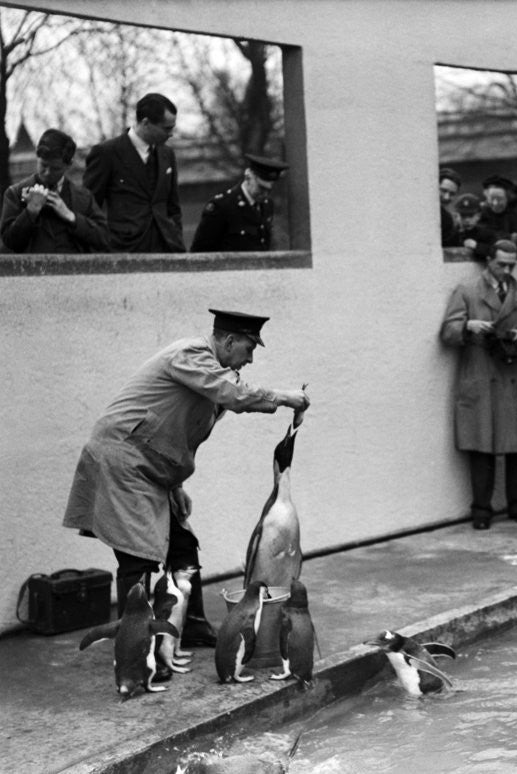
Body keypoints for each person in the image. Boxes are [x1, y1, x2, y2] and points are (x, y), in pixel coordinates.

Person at [63, 309, 311, 655]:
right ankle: (132, 645)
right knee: (139, 555)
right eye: (249, 348)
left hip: (150, 469)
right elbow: (234, 394)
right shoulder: (192, 354)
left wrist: (175, 484)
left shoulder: (209, 372)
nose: (251, 359)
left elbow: (174, 431)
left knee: (182, 546)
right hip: (122, 460)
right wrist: (282, 397)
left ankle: (190, 626)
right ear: (227, 341)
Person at [440, 239, 517, 530]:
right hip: (481, 375)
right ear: (488, 261)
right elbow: (447, 332)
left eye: (511, 265)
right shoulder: (467, 291)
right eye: (501, 264)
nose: (507, 270)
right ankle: (481, 511)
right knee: (481, 448)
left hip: (510, 376)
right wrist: (468, 327)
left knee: (515, 447)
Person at [83, 92, 185, 253]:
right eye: (166, 129)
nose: (171, 134)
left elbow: (173, 206)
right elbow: (89, 205)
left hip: (167, 249)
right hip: (124, 252)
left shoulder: (167, 155)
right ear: (146, 123)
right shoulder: (106, 153)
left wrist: (176, 236)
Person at [0, 129, 111, 254]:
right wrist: (30, 212)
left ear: (69, 165)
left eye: (55, 168)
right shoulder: (15, 193)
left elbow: (104, 239)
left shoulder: (84, 196)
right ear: (38, 158)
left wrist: (71, 216)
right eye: (43, 165)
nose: (47, 172)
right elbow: (9, 242)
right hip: (33, 271)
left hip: (75, 271)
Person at [189, 154, 289, 252]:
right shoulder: (222, 206)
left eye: (269, 190)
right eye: (261, 188)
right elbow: (200, 251)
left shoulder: (267, 205)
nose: (265, 194)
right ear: (248, 178)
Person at [476, 175, 517, 255]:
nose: (495, 203)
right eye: (491, 198)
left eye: (500, 199)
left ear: (508, 198)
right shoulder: (480, 211)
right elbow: (485, 235)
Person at [439, 167, 462, 247]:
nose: (446, 197)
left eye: (452, 194)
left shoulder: (447, 219)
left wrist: (458, 228)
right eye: (443, 190)